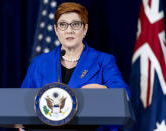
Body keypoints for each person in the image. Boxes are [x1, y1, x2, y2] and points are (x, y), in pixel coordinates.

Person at [21, 2, 130, 131]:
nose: (69, 30)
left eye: (76, 24)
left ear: (85, 29)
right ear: (56, 30)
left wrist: (104, 90)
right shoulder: (39, 63)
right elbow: (22, 104)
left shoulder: (103, 61)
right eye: (63, 25)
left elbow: (124, 97)